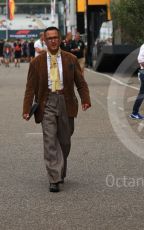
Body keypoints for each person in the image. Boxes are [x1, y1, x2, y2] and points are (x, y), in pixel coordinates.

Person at [22, 26, 91, 193]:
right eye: (49, 38)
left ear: (60, 40)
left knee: (65, 141)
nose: (53, 40)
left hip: (66, 101)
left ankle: (60, 168)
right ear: (44, 41)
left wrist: (85, 99)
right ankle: (54, 178)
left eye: (55, 37)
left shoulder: (71, 59)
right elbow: (30, 87)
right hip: (46, 103)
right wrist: (26, 108)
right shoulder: (36, 62)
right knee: (50, 140)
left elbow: (80, 82)